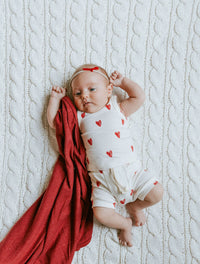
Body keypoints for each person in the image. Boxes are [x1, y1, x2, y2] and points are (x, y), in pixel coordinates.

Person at [47, 64, 164, 247]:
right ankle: (125, 224)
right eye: (78, 94)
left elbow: (138, 97)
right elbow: (56, 124)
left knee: (157, 193)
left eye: (92, 89)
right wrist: (55, 99)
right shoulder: (80, 118)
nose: (84, 96)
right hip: (102, 181)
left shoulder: (117, 108)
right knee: (101, 214)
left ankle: (135, 206)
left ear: (109, 90)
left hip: (132, 172)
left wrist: (123, 82)